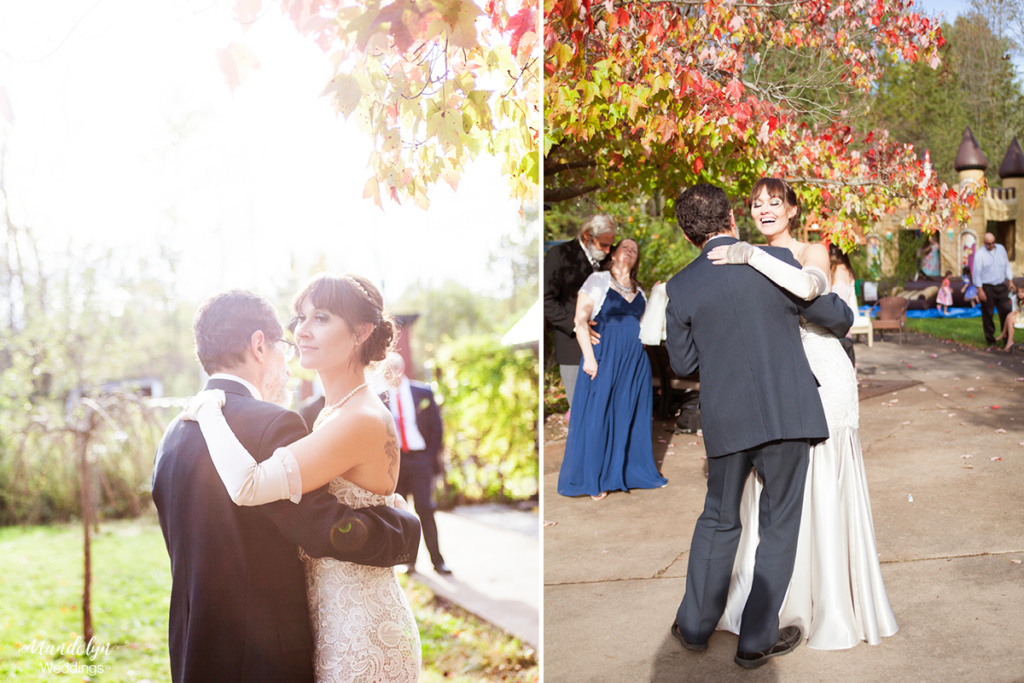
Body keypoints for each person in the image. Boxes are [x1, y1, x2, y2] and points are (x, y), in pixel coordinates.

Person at [152, 288, 420, 683]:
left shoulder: (172, 436)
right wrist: (404, 527)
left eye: (319, 319)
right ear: (260, 346)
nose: (293, 348)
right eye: (283, 342)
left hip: (195, 649)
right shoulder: (272, 425)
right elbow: (324, 528)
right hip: (262, 656)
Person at [665, 183, 853, 669]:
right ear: (731, 218)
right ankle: (755, 641)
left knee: (718, 519)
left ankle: (694, 627)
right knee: (778, 527)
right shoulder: (775, 266)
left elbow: (683, 363)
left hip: (727, 419)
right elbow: (833, 316)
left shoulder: (680, 287)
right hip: (788, 414)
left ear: (689, 235)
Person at [708, 177, 898, 651]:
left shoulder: (811, 251)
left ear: (793, 209)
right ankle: (775, 599)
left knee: (822, 473)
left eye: (775, 202)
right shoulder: (740, 251)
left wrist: (754, 257)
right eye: (756, 203)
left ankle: (830, 602)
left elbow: (812, 291)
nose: (765, 209)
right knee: (775, 482)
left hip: (822, 373)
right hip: (773, 379)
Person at [557, 239, 667, 500]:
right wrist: (589, 358)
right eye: (625, 247)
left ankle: (628, 473)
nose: (630, 251)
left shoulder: (639, 290)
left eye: (635, 250)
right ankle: (596, 478)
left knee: (627, 414)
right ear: (614, 254)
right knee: (600, 414)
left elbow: (647, 324)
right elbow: (580, 320)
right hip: (604, 356)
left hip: (634, 360)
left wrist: (657, 296)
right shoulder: (597, 280)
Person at [382, 352, 451, 575]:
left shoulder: (422, 392)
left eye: (394, 368)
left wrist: (430, 457)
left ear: (401, 369)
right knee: (401, 513)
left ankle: (437, 561)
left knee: (425, 509)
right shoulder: (379, 397)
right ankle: (407, 561)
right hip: (395, 463)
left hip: (420, 459)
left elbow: (436, 428)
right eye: (386, 369)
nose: (390, 373)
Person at [544, 214, 617, 408]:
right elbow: (546, 301)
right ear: (587, 236)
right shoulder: (558, 255)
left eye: (611, 245)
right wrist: (577, 325)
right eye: (603, 245)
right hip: (572, 349)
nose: (608, 250)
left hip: (608, 346)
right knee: (581, 410)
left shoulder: (612, 257)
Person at [972, 232, 1017, 348]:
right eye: (988, 244)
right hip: (987, 287)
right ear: (984, 243)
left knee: (1006, 311)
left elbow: (1006, 265)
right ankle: (990, 340)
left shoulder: (1001, 249)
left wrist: (1010, 280)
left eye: (993, 243)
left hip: (1001, 286)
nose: (991, 245)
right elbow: (976, 274)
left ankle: (1007, 337)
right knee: (988, 315)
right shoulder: (979, 254)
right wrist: (980, 290)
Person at [829, 243, 859, 365]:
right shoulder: (849, 270)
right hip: (846, 314)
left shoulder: (833, 270)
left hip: (834, 313)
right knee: (847, 348)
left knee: (836, 351)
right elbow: (851, 296)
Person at [994, 286, 1022, 352]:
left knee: (1009, 317)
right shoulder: (1017, 299)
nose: (1020, 294)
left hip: (1021, 317)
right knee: (1009, 317)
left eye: (1022, 292)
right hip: (1020, 316)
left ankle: (1005, 335)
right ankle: (1007, 337)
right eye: (1019, 292)